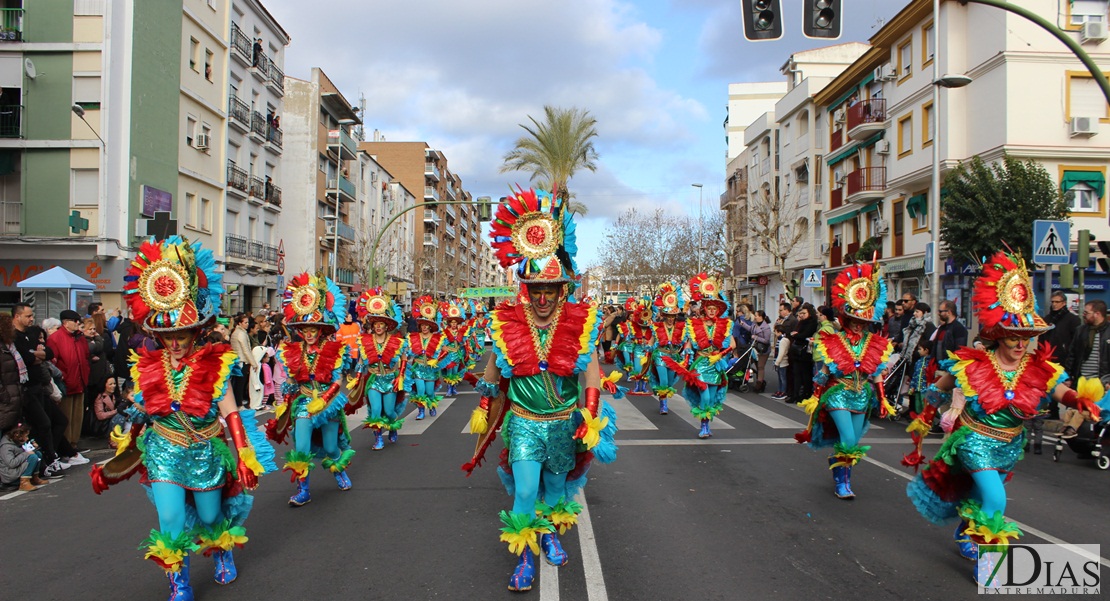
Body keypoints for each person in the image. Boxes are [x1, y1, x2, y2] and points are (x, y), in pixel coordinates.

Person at [91, 236, 275, 598]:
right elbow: (143, 414)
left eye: (182, 334)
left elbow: (231, 413)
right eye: (167, 335)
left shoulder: (216, 364)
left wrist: (245, 456)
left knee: (209, 518)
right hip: (163, 450)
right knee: (171, 519)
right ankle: (179, 581)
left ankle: (221, 548)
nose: (175, 343)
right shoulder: (147, 366)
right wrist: (123, 451)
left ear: (195, 332)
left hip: (205, 449)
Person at [905, 250, 1102, 585]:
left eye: (1026, 338)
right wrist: (925, 417)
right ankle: (989, 565)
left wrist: (1079, 400)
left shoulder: (1036, 366)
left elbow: (1059, 389)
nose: (1020, 344)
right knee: (996, 498)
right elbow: (938, 389)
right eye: (1014, 336)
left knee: (982, 497)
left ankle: (966, 530)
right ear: (997, 335)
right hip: (974, 440)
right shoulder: (974, 363)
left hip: (1009, 444)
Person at [462, 187, 617, 592]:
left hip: (564, 423)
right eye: (536, 290)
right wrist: (484, 399)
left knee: (554, 488)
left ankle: (548, 532)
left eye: (550, 290)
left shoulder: (581, 324)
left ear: (563, 289)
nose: (543, 298)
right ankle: (525, 557)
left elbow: (592, 374)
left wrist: (591, 415)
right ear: (525, 290)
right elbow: (494, 371)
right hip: (526, 424)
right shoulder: (506, 324)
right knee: (527, 488)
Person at [795, 261, 895, 499]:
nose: (859, 324)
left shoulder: (875, 343)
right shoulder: (834, 340)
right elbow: (825, 371)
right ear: (847, 318)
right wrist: (816, 397)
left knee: (853, 442)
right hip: (838, 392)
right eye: (854, 319)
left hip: (862, 395)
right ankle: (843, 483)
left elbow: (877, 372)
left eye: (863, 321)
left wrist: (883, 400)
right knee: (849, 440)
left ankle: (839, 469)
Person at [267, 271, 354, 507]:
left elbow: (337, 381)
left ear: (322, 329)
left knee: (330, 447)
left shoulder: (336, 350)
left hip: (329, 403)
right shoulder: (292, 351)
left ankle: (338, 469)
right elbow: (292, 381)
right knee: (301, 446)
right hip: (305, 402)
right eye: (305, 328)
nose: (309, 333)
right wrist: (284, 399)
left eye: (313, 328)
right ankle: (303, 489)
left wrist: (324, 400)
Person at [10, 303, 74, 477]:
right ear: (17, 316)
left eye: (32, 315)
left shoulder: (31, 333)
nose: (31, 319)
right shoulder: (14, 336)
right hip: (26, 389)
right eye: (28, 316)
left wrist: (37, 355)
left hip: (40, 387)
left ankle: (50, 455)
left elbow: (49, 353)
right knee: (42, 423)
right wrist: (36, 356)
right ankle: (48, 459)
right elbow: (27, 357)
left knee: (59, 420)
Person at [352, 288, 408, 450]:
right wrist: (356, 378)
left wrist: (400, 377)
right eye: (375, 324)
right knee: (375, 411)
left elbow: (403, 358)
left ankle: (392, 427)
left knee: (389, 411)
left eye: (381, 324)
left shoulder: (397, 341)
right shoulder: (365, 340)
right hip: (374, 380)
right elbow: (362, 361)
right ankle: (378, 439)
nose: (378, 327)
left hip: (390, 379)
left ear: (386, 326)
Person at [685, 274, 736, 439]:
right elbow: (689, 343)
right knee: (705, 395)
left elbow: (732, 345)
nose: (712, 311)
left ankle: (705, 425)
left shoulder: (725, 325)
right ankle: (703, 426)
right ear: (704, 309)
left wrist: (720, 355)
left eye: (715, 309)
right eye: (709, 308)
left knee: (712, 398)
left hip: (716, 364)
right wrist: (686, 353)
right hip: (700, 362)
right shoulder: (694, 324)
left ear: (719, 310)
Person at [47, 309, 90, 455]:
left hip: (80, 381)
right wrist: (63, 376)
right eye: (75, 321)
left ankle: (74, 443)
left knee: (78, 415)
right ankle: (66, 446)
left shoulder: (80, 337)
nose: (78, 323)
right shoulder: (55, 338)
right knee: (66, 415)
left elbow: (86, 355)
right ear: (65, 323)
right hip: (66, 382)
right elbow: (52, 362)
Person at [404, 296, 447, 420]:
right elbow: (406, 351)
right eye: (422, 325)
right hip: (417, 367)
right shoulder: (413, 337)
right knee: (420, 391)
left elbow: (445, 351)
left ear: (430, 327)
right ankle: (421, 410)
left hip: (430, 368)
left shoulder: (437, 338)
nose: (424, 327)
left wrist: (436, 360)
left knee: (429, 392)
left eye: (427, 325)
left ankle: (432, 406)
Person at [649, 281, 689, 414]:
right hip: (661, 355)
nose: (671, 319)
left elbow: (688, 339)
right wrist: (648, 346)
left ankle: (663, 398)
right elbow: (652, 339)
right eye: (669, 316)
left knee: (671, 382)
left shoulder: (682, 327)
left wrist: (687, 349)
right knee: (664, 380)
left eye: (673, 316)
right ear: (665, 316)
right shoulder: (657, 326)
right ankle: (663, 405)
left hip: (674, 356)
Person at [0, 423, 47, 491]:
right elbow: (11, 463)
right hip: (10, 474)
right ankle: (24, 483)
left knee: (37, 454)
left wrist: (33, 448)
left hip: (17, 469)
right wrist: (26, 453)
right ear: (18, 436)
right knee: (32, 457)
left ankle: (34, 478)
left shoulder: (16, 442)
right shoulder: (6, 447)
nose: (27, 438)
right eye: (26, 436)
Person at [439, 299, 470, 397]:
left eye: (455, 323)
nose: (453, 324)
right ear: (449, 323)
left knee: (456, 372)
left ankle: (454, 388)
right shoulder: (445, 332)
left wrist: (464, 344)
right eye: (452, 323)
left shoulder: (460, 332)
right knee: (449, 372)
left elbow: (464, 342)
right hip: (449, 355)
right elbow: (442, 343)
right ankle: (449, 388)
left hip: (457, 354)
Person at [789, 303, 818, 404]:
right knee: (796, 373)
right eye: (800, 313)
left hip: (806, 352)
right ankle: (795, 394)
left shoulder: (813, 322)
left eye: (804, 313)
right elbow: (795, 333)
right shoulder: (800, 322)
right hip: (797, 351)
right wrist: (796, 335)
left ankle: (806, 394)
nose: (801, 315)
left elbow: (804, 335)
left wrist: (797, 335)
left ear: (810, 313)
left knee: (806, 374)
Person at [1042, 292, 1080, 365]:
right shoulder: (1047, 319)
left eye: (1057, 302)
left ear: (1064, 303)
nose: (1054, 304)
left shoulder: (1073, 319)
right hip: (1047, 357)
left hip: (1064, 358)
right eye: (1052, 302)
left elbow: (1075, 341)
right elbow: (1042, 337)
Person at [229, 314, 255, 408]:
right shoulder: (240, 333)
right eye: (245, 322)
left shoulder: (238, 332)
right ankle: (238, 404)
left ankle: (237, 403)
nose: (247, 324)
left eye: (248, 322)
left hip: (238, 360)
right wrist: (253, 363)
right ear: (240, 323)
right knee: (240, 384)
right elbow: (246, 349)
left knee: (238, 383)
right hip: (241, 361)